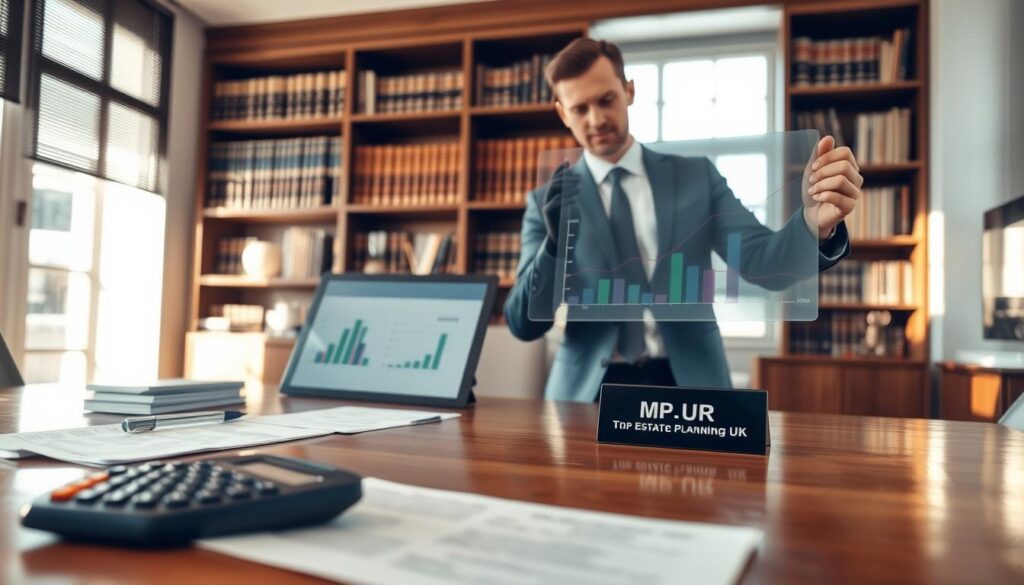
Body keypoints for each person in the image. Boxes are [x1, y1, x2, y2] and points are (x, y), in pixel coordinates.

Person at [504, 38, 861, 402]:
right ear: (563, 113)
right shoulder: (546, 202)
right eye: (580, 109)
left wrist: (814, 223)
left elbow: (760, 260)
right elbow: (522, 323)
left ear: (629, 91)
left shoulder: (696, 177)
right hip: (586, 394)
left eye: (606, 100)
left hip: (689, 385)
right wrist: (554, 245)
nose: (596, 119)